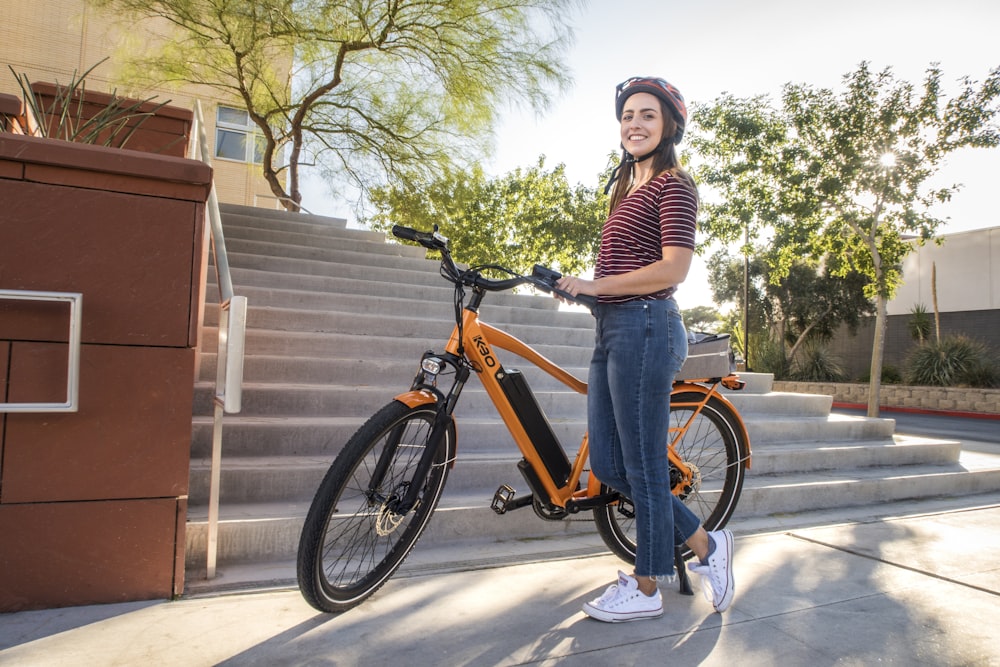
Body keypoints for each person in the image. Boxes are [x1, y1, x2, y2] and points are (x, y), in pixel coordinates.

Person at [555, 76, 735, 623]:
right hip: (612, 328)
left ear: (669, 125)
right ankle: (707, 545)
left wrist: (595, 286)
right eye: (628, 114)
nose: (634, 123)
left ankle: (647, 586)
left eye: (648, 115)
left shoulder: (675, 185)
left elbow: (673, 269)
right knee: (609, 464)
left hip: (648, 326)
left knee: (647, 466)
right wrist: (582, 289)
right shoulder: (624, 188)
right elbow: (621, 269)